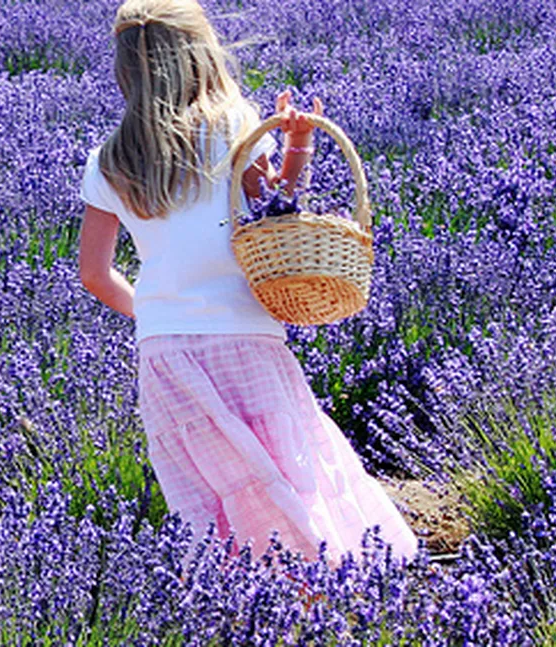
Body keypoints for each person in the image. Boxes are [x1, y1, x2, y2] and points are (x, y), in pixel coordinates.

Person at [77, 0, 420, 569]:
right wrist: (299, 146)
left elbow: (94, 275)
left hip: (163, 354)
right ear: (200, 54)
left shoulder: (109, 160)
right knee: (289, 469)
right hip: (245, 337)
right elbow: (275, 213)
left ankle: (249, 608)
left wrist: (158, 315)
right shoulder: (235, 125)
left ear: (126, 70)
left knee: (213, 496)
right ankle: (333, 586)